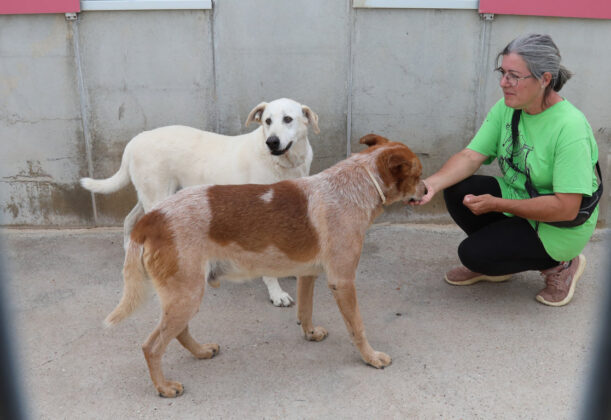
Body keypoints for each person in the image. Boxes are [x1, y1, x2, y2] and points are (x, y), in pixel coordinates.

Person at [413, 34, 600, 307]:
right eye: (502, 72)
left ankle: (561, 265)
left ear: (545, 79)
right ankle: (500, 259)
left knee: (472, 254)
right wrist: (430, 184)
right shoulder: (509, 108)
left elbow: (566, 208)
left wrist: (497, 204)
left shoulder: (570, 127)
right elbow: (470, 155)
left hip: (559, 225)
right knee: (457, 187)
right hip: (523, 198)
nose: (503, 83)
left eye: (514, 76)